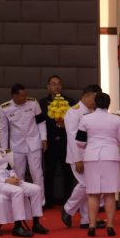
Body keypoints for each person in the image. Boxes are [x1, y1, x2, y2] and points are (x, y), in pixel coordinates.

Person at [75, 93, 120, 237]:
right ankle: (110, 226)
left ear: (95, 103)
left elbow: (79, 142)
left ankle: (91, 226)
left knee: (93, 193)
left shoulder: (86, 118)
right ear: (109, 104)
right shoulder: (116, 120)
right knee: (110, 193)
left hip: (92, 157)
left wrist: (90, 145)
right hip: (110, 157)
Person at [0, 120, 48, 238]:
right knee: (18, 191)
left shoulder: (1, 150)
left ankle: (36, 223)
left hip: (7, 181)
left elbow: (9, 168)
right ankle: (18, 227)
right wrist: (6, 180)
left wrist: (14, 177)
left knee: (36, 189)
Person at [0, 84, 47, 204]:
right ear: (14, 96)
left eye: (25, 95)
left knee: (37, 173)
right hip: (16, 146)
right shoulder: (4, 108)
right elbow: (3, 130)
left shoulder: (33, 103)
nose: (25, 98)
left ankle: (40, 202)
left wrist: (43, 138)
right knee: (18, 174)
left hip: (33, 143)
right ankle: (22, 202)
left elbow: (41, 122)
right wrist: (4, 150)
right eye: (22, 96)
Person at [61, 85, 100, 229]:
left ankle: (86, 219)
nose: (96, 102)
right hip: (77, 156)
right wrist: (78, 159)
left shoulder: (93, 111)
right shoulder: (73, 112)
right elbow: (73, 138)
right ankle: (68, 209)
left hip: (91, 154)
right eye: (95, 98)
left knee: (90, 188)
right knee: (85, 184)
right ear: (87, 96)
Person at [39, 75, 77, 207]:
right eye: (53, 84)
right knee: (49, 172)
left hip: (66, 142)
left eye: (59, 84)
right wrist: (43, 139)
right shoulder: (42, 103)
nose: (56, 86)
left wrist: (65, 124)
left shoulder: (70, 102)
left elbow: (76, 121)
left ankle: (68, 200)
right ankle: (48, 200)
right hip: (49, 142)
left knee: (68, 172)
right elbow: (40, 123)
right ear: (48, 86)